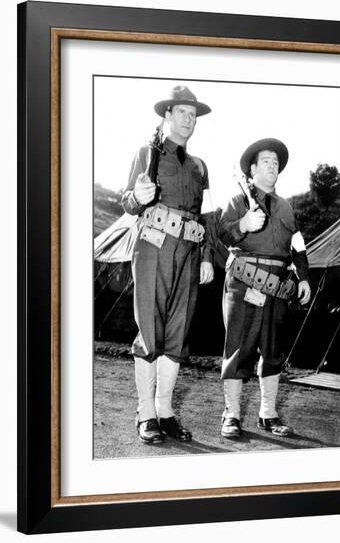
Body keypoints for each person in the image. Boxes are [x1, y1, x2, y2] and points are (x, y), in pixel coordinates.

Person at [121, 85, 216, 444]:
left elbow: (205, 217)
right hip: (153, 247)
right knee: (150, 329)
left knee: (177, 334)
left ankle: (165, 411)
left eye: (193, 115)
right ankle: (145, 412)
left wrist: (206, 256)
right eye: (182, 112)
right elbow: (128, 202)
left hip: (189, 254)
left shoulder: (199, 167)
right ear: (166, 116)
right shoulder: (147, 154)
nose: (189, 119)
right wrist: (137, 197)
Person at [218, 138, 311, 438]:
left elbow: (298, 247)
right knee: (237, 350)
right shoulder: (237, 201)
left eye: (276, 162)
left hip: (279, 287)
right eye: (266, 161)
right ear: (253, 169)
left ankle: (268, 414)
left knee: (273, 351)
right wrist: (243, 224)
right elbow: (221, 235)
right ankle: (231, 415)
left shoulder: (286, 208)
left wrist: (305, 277)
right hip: (244, 283)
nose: (272, 166)